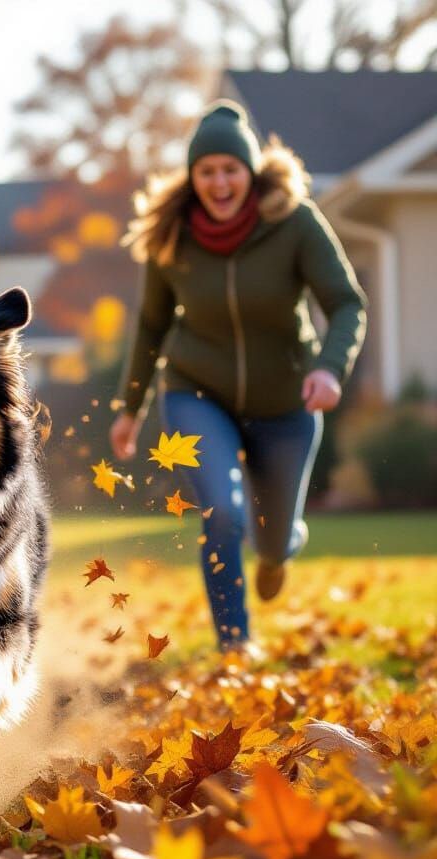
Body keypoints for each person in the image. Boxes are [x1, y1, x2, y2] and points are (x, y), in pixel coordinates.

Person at [109, 100, 366, 655]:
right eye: (207, 171)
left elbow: (346, 302)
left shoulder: (293, 221)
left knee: (271, 540)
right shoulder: (171, 238)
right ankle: (234, 641)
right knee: (222, 512)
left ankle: (277, 551)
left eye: (230, 169)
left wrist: (329, 367)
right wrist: (128, 409)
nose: (220, 182)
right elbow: (151, 325)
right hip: (196, 393)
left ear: (250, 172)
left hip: (285, 402)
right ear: (192, 177)